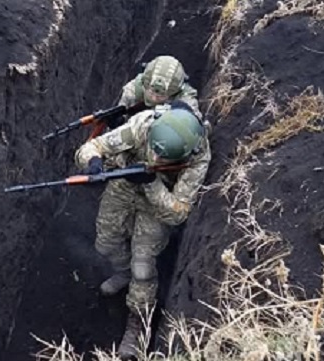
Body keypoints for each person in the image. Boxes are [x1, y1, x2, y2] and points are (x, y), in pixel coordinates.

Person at [74, 101, 211, 358]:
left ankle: (137, 322)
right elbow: (93, 146)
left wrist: (151, 184)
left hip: (158, 203)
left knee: (143, 266)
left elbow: (177, 212)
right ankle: (123, 274)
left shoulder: (198, 157)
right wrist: (93, 163)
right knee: (105, 244)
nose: (156, 158)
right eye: (154, 151)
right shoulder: (144, 125)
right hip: (124, 185)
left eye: (164, 157)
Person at [106, 55, 203, 130]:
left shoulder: (185, 99)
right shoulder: (133, 91)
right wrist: (117, 123)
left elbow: (196, 127)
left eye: (160, 96)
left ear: (173, 93)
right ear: (145, 84)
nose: (154, 98)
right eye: (151, 92)